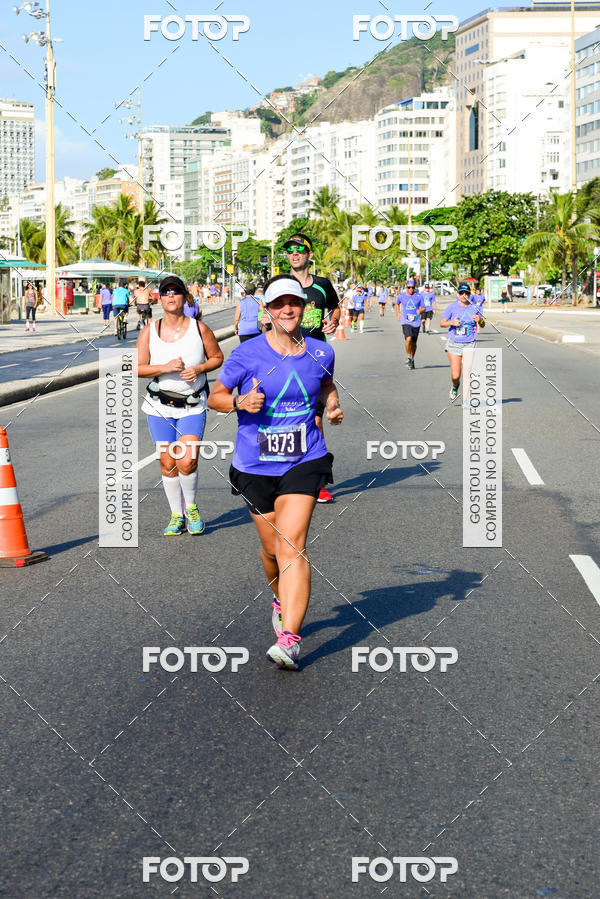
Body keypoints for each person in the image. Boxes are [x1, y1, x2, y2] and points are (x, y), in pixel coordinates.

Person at [208, 274, 343, 669]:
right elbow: (215, 395)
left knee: (292, 545)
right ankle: (281, 598)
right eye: (279, 303)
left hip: (305, 459)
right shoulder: (247, 355)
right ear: (266, 310)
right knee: (271, 551)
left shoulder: (321, 351)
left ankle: (289, 639)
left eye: (295, 303)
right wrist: (238, 402)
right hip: (254, 464)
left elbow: (326, 386)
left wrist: (331, 406)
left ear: (305, 308)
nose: (288, 309)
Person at [137, 275, 224, 536]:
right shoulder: (149, 331)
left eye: (176, 291)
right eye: (166, 292)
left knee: (186, 460)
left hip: (192, 405)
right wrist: (164, 368)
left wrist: (199, 368)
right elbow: (138, 368)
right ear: (159, 298)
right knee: (167, 462)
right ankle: (176, 515)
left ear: (185, 297)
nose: (171, 296)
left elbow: (217, 357)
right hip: (159, 407)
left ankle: (192, 507)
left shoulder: (200, 328)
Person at [284, 232, 340, 503]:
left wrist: (333, 322)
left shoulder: (322, 285)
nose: (294, 254)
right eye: (290, 250)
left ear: (309, 254)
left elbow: (335, 308)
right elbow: (265, 318)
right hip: (282, 361)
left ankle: (316, 483)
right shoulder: (280, 284)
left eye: (299, 249)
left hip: (314, 360)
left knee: (315, 422)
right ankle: (282, 476)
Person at [440, 282, 485, 405]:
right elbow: (442, 323)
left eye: (466, 293)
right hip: (454, 343)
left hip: (469, 343)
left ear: (470, 294)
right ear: (458, 294)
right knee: (456, 375)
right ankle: (455, 386)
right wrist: (451, 323)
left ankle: (466, 400)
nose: (464, 295)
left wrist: (479, 320)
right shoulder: (451, 307)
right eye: (461, 293)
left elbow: (483, 324)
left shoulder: (476, 308)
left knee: (467, 373)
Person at [396, 279, 426, 369]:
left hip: (416, 322)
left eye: (412, 287)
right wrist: (398, 314)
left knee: (414, 342)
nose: (411, 289)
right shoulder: (401, 296)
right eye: (409, 287)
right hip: (406, 321)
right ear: (406, 287)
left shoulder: (419, 296)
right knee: (408, 339)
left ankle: (412, 358)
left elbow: (424, 307)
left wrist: (420, 310)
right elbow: (397, 304)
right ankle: (409, 357)